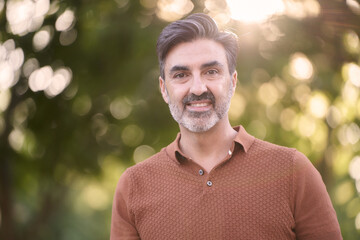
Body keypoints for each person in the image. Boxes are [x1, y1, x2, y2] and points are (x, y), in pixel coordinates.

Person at [110, 13, 342, 240]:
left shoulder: (293, 171)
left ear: (232, 81)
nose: (198, 88)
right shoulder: (134, 185)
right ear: (163, 89)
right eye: (181, 75)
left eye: (211, 72)